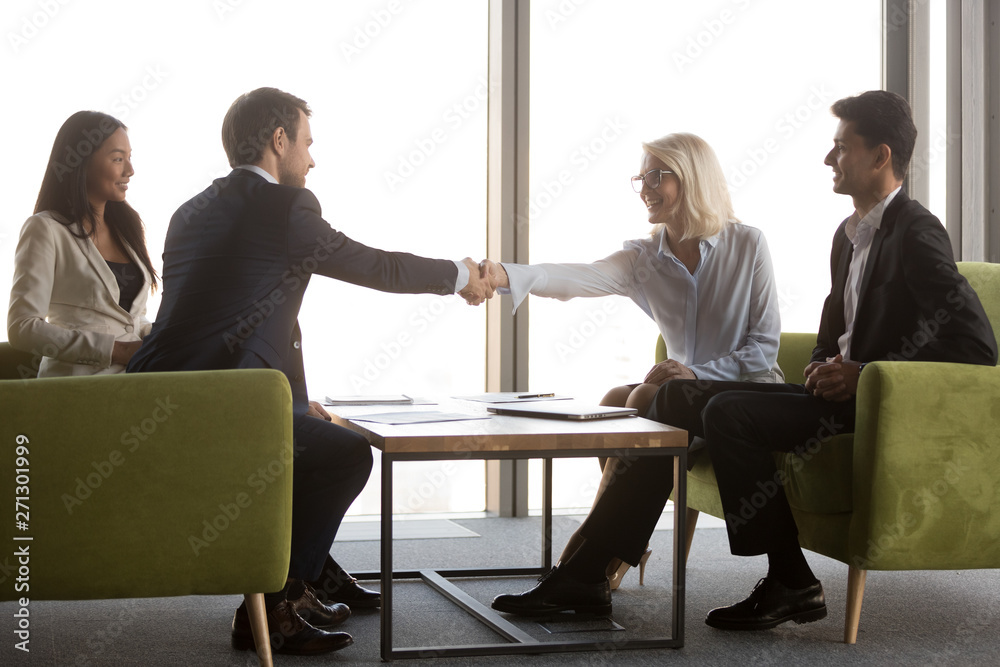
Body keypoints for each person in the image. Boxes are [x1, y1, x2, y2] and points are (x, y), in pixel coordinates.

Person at [492, 90, 998, 627]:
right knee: (675, 397)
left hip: (874, 406)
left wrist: (864, 375)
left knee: (727, 413)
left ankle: (783, 578)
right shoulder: (848, 237)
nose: (830, 159)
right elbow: (838, 330)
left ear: (881, 156)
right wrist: (824, 362)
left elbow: (974, 345)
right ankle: (593, 572)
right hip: (828, 394)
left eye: (841, 147)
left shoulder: (916, 232)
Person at [127, 87, 496, 655]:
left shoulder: (189, 211)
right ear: (279, 140)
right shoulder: (287, 208)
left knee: (312, 439)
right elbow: (373, 265)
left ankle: (306, 582)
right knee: (346, 455)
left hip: (155, 398)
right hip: (224, 409)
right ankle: (277, 604)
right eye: (307, 142)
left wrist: (295, 405)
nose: (312, 159)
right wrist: (459, 273)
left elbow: (238, 318)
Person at [484, 132, 783, 614]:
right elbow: (573, 276)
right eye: (640, 177)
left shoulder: (748, 245)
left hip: (743, 398)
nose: (644, 187)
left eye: (655, 175)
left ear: (690, 178)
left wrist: (693, 371)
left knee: (644, 398)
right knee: (613, 400)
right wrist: (502, 276)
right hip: (681, 399)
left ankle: (587, 562)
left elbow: (763, 351)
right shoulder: (646, 258)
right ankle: (601, 559)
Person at [8, 111, 157, 376]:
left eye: (129, 158)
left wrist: (154, 334)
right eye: (118, 159)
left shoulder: (128, 229)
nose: (130, 170)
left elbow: (130, 319)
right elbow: (23, 327)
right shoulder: (45, 229)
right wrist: (116, 350)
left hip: (134, 382)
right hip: (74, 389)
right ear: (81, 162)